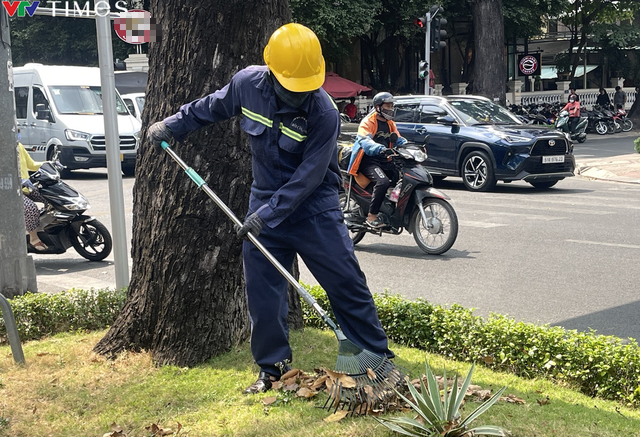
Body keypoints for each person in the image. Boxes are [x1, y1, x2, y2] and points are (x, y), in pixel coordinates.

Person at [147, 23, 394, 394]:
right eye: (292, 86)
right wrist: (172, 125)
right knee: (263, 293)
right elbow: (210, 107)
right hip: (264, 203)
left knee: (346, 282)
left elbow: (310, 176)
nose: (300, 95)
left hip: (315, 208)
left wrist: (269, 213)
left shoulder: (324, 112)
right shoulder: (247, 84)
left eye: (306, 87)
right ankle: (273, 369)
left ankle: (375, 360)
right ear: (273, 72)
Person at [347, 92, 406, 228]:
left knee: (400, 176)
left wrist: (411, 146)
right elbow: (364, 140)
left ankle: (389, 209)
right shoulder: (368, 121)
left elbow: (398, 139)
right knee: (383, 181)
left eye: (392, 106)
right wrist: (379, 148)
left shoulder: (390, 123)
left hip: (385, 159)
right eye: (388, 106)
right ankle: (372, 215)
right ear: (378, 107)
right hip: (367, 161)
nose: (391, 109)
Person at [17, 142, 46, 250]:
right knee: (30, 208)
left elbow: (31, 165)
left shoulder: (19, 146)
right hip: (11, 192)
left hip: (26, 187)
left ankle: (46, 227)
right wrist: (18, 181)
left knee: (50, 196)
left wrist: (49, 163)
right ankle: (33, 238)